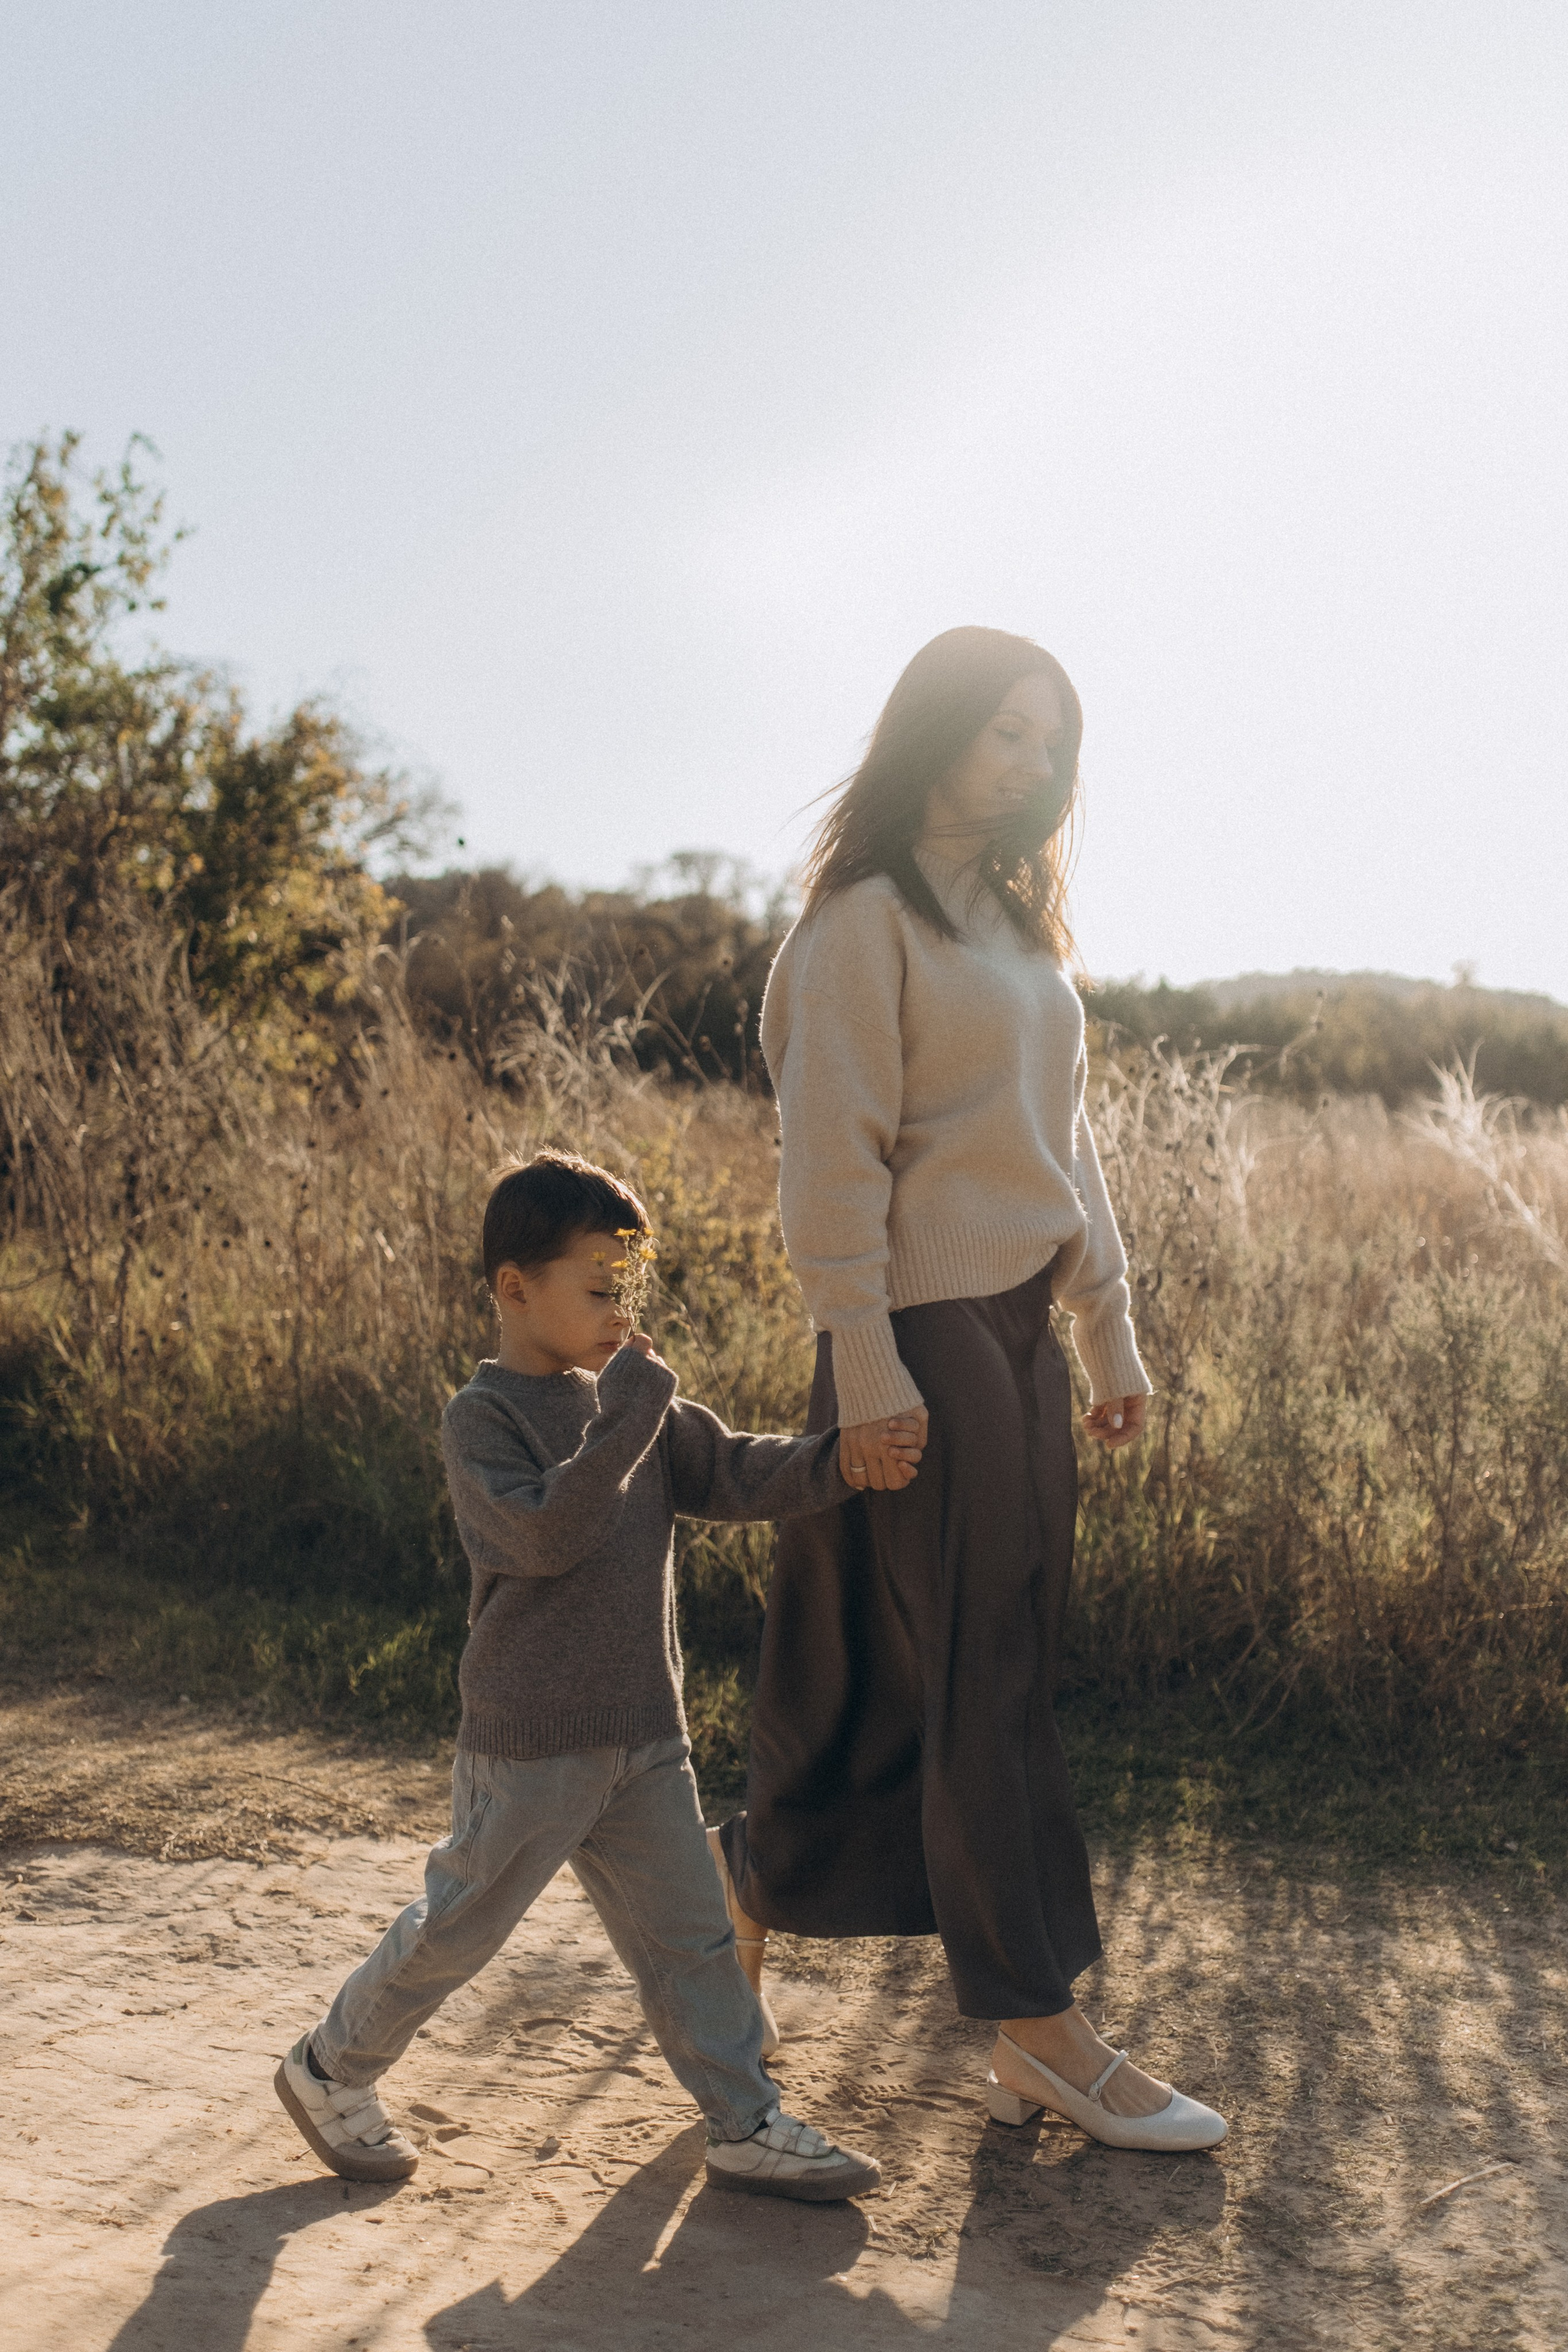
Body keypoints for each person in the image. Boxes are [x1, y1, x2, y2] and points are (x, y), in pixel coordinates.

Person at [712, 628, 1226, 2153]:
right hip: (915, 1332)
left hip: (1013, 1334)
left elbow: (1064, 1144)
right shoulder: (859, 927)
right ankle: (1037, 2026)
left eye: (1049, 741)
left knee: (887, 1657)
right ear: (934, 732)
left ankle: (746, 1881)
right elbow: (831, 1162)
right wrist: (865, 1363)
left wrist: (1105, 1328)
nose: (1030, 763)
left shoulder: (1017, 932)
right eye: (1005, 729)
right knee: (980, 1668)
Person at [273, 1150, 881, 2203]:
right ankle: (330, 2069)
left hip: (644, 1733)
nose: (620, 1313)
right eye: (600, 1289)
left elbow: (735, 1471)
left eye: (629, 1290)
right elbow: (546, 1535)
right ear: (515, 1287)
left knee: (693, 1939)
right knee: (458, 1929)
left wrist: (844, 1459)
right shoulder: (485, 1420)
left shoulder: (626, 1403)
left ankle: (745, 2121)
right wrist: (627, 1416)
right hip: (532, 1743)